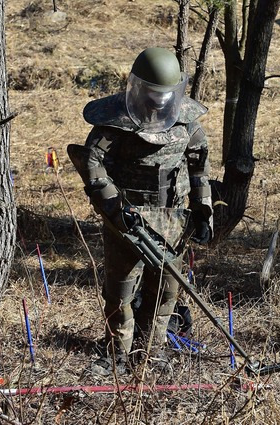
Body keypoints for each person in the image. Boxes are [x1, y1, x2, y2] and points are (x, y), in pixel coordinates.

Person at [67, 47, 213, 376]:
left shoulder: (187, 124)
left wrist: (204, 211)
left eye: (165, 95)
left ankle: (151, 353)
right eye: (152, 94)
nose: (159, 102)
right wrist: (115, 207)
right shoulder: (114, 124)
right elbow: (92, 164)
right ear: (138, 88)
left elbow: (199, 168)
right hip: (125, 221)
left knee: (164, 292)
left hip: (172, 222)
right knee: (120, 292)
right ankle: (116, 355)